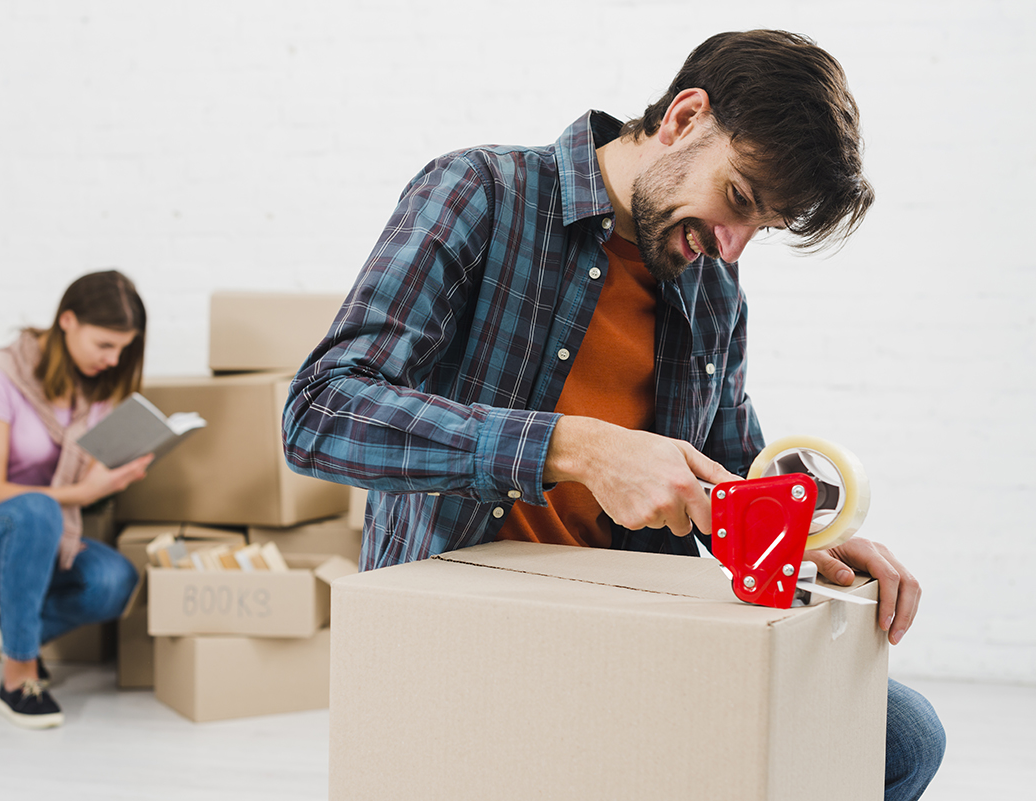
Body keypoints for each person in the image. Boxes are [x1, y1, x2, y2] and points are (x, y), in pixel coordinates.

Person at [283, 30, 944, 800]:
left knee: (903, 739)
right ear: (684, 117)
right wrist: (576, 448)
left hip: (631, 632)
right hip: (460, 626)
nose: (730, 249)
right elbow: (320, 409)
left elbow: (730, 485)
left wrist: (816, 536)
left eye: (757, 229)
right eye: (737, 198)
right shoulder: (481, 193)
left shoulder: (713, 293)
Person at [0, 270, 154, 729]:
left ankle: (17, 627)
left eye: (123, 349)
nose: (114, 359)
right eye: (105, 345)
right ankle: (18, 680)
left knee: (114, 580)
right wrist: (83, 492)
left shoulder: (97, 389)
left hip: (43, 538)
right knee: (38, 508)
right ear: (67, 321)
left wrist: (112, 472)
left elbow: (82, 476)